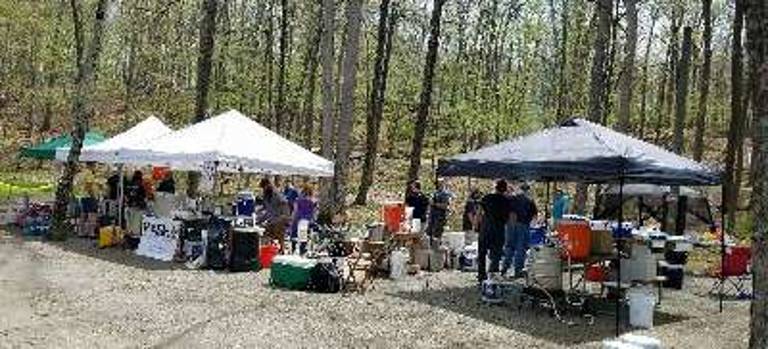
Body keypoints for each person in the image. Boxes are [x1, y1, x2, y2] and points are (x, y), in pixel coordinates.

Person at [478, 179, 511, 283]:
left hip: (486, 227)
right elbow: (510, 217)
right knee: (496, 253)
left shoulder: (487, 198)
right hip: (499, 229)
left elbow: (479, 212)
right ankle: (492, 274)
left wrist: (476, 224)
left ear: (495, 188)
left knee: (482, 252)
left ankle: (481, 275)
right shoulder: (507, 201)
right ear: (505, 189)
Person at [503, 183, 539, 278]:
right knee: (520, 248)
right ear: (528, 190)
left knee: (509, 247)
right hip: (523, 225)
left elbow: (506, 211)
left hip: (511, 225)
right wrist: (532, 224)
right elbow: (535, 216)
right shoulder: (529, 200)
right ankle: (518, 271)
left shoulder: (511, 199)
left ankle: (504, 269)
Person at [256, 179, 291, 251]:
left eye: (264, 187)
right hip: (273, 219)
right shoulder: (266, 196)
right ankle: (270, 249)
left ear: (268, 185)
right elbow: (268, 210)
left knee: (277, 233)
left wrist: (284, 217)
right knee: (267, 232)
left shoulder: (277, 195)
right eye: (263, 188)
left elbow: (285, 205)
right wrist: (259, 220)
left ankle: (280, 249)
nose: (264, 189)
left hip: (281, 218)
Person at [290, 184, 318, 253]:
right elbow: (314, 211)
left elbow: (295, 210)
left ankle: (294, 247)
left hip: (299, 218)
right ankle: (302, 248)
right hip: (308, 219)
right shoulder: (313, 200)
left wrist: (293, 218)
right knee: (303, 234)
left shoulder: (298, 199)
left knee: (295, 232)